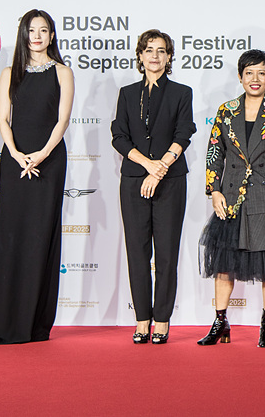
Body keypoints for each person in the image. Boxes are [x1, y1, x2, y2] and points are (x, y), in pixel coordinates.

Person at [0, 9, 74, 344]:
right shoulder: (10, 73)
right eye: (31, 30)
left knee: (40, 235)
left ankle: (32, 322)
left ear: (52, 35)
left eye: (43, 30)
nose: (37, 36)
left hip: (48, 161)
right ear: (23, 35)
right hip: (14, 162)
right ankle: (2, 319)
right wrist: (16, 153)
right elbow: (4, 120)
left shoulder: (63, 72)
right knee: (10, 235)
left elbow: (62, 120)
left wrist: (42, 154)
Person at [198, 49, 265, 348]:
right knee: (224, 265)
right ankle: (220, 322)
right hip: (231, 199)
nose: (255, 79)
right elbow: (214, 152)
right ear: (240, 77)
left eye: (261, 73)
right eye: (249, 73)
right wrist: (214, 190)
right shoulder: (226, 111)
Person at [111, 30, 196, 344]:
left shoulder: (181, 93)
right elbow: (119, 136)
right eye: (149, 50)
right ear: (140, 55)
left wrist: (159, 169)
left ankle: (162, 320)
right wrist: (148, 165)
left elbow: (184, 133)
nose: (155, 56)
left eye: (161, 50)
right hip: (134, 180)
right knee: (137, 252)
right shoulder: (127, 93)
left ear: (169, 56)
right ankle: (142, 320)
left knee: (166, 254)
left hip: (170, 181)